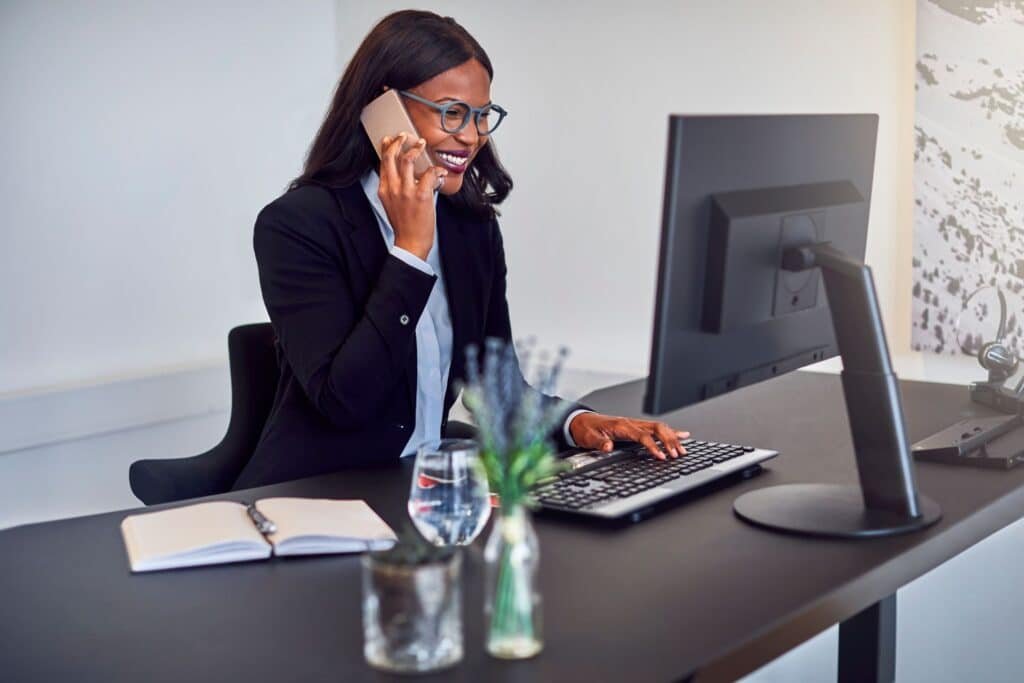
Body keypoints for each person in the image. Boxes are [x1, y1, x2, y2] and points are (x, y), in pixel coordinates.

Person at [233, 10, 688, 490]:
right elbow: (346, 402)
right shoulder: (298, 226)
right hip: (316, 499)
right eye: (451, 112)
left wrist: (579, 425)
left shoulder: (469, 226)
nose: (471, 136)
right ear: (381, 109)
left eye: (481, 115)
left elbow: (496, 389)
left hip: (419, 490)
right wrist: (409, 252)